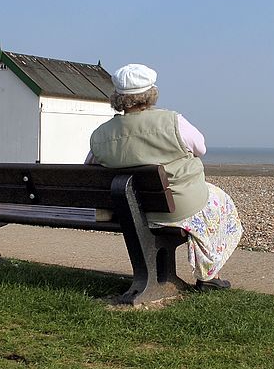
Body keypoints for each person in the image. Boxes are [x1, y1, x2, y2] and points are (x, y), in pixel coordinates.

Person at [86, 63, 243, 290]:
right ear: (151, 93)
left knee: (210, 202)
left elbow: (90, 166)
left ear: (117, 97)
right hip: (176, 207)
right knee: (219, 201)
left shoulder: (100, 134)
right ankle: (208, 274)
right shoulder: (172, 121)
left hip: (129, 210)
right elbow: (200, 148)